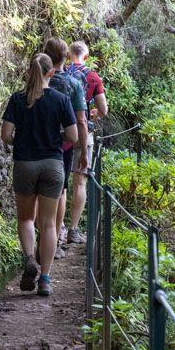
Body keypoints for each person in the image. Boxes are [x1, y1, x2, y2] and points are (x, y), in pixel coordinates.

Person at [1, 54, 78, 297]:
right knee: (48, 224)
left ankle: (29, 259)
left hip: (25, 163)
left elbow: (5, 135)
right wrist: (57, 139)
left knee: (25, 219)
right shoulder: (61, 99)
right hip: (53, 165)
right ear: (51, 73)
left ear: (30, 72)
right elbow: (74, 137)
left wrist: (20, 141)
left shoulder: (17, 99)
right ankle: (45, 278)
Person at [42, 37, 89, 256]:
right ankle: (56, 241)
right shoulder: (74, 84)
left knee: (36, 194)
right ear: (65, 58)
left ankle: (38, 244)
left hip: (37, 143)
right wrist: (82, 148)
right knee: (60, 191)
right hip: (65, 146)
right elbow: (80, 120)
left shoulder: (37, 80)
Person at [64, 40, 108, 243]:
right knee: (80, 182)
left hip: (62, 131)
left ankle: (59, 229)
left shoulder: (60, 72)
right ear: (87, 56)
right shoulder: (92, 76)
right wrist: (94, 113)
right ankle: (73, 229)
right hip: (83, 132)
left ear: (68, 55)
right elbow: (104, 109)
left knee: (61, 183)